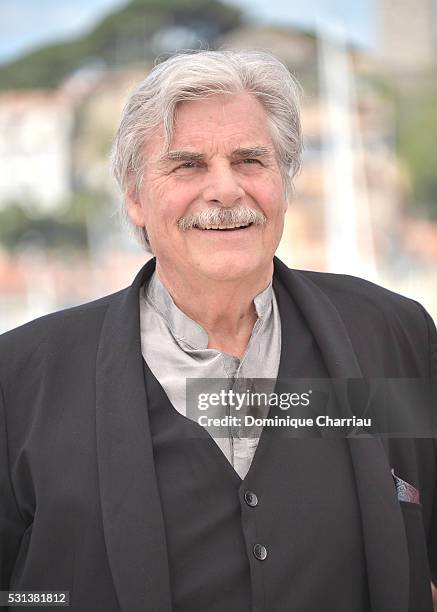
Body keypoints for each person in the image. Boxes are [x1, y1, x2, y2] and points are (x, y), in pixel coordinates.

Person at [0, 49, 436, 612]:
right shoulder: (22, 378)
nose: (226, 189)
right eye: (187, 165)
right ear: (135, 198)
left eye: (250, 160)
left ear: (284, 183)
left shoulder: (391, 336)